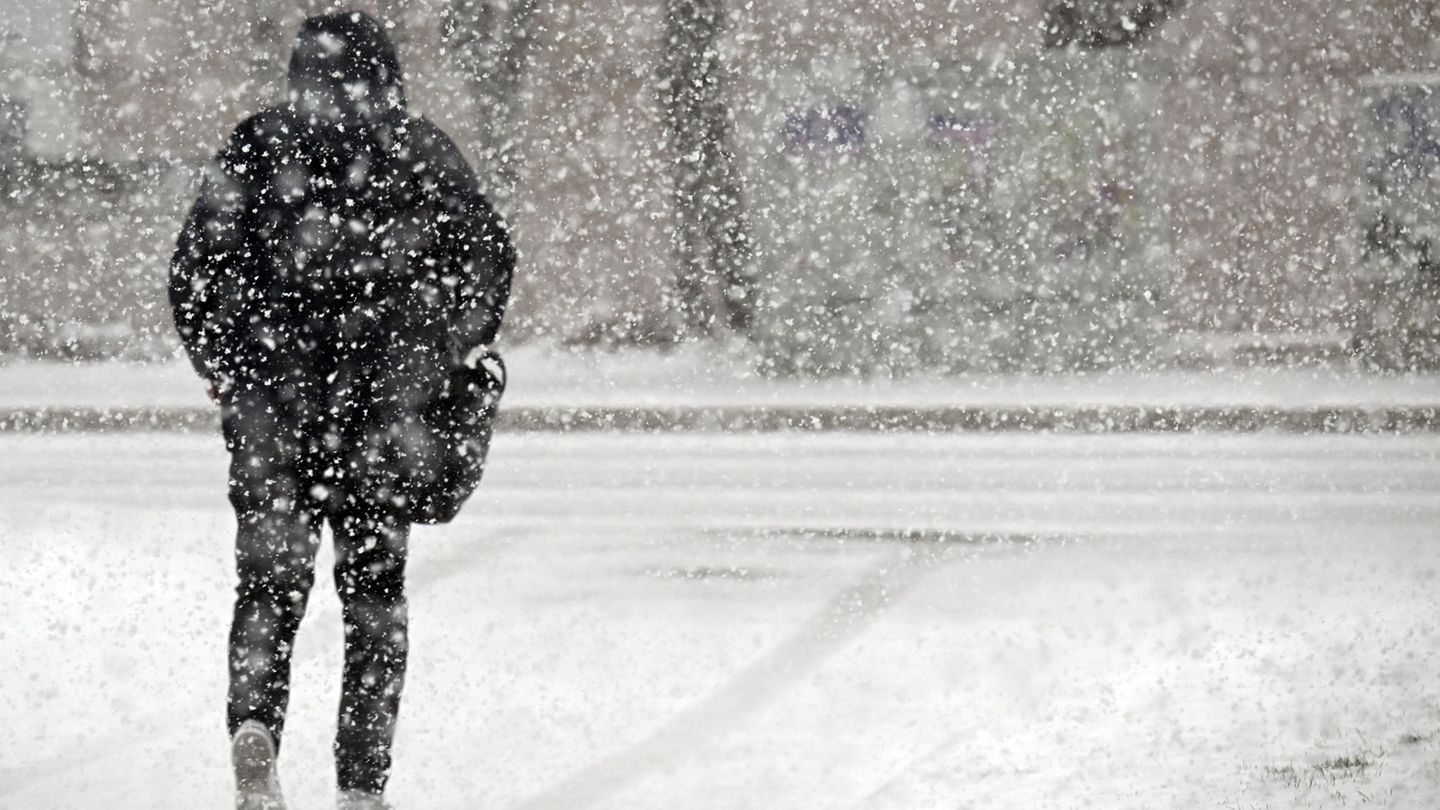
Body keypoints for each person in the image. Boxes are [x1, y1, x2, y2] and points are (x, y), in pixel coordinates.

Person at [169, 11, 514, 810]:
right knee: (374, 603)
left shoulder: (257, 148)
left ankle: (255, 732)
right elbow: (488, 261)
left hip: (274, 416)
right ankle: (362, 787)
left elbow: (195, 276)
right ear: (387, 76)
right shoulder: (419, 151)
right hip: (381, 420)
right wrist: (442, 353)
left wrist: (233, 377)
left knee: (267, 590)